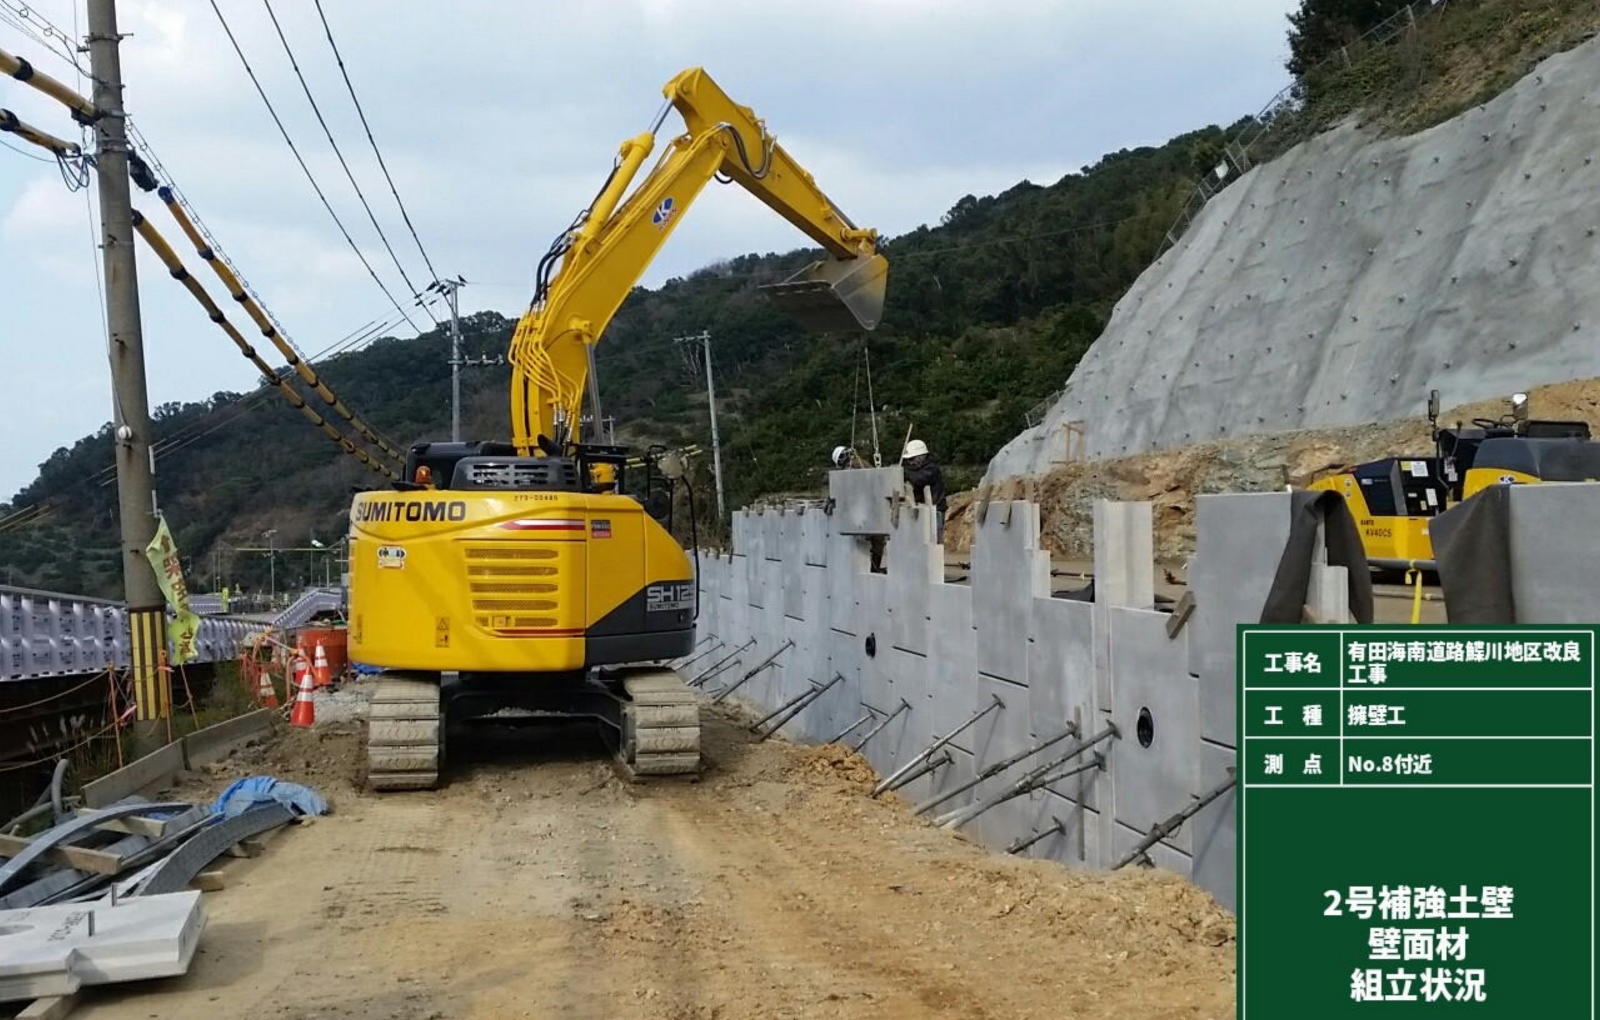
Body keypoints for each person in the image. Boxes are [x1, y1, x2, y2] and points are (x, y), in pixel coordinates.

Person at [901, 438, 947, 542]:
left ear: (921, 456)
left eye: (912, 459)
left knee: (933, 543)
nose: (910, 463)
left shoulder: (932, 469)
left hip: (935, 511)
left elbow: (919, 479)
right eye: (908, 460)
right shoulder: (916, 470)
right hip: (921, 510)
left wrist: (902, 473)